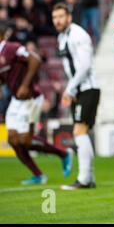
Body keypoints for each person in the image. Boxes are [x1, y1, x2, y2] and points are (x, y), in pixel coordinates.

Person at [0, 27, 73, 185]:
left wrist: (25, 85)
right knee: (13, 139)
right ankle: (38, 175)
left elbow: (35, 60)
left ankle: (62, 153)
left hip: (31, 98)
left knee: (26, 140)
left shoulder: (11, 48)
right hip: (15, 101)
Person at [52, 3, 101, 190]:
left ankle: (84, 180)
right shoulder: (62, 36)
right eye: (54, 17)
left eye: (60, 16)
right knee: (80, 131)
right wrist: (71, 89)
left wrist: (69, 90)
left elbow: (85, 66)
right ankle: (88, 177)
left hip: (87, 89)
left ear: (69, 18)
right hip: (79, 90)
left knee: (79, 131)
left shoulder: (78, 35)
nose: (57, 20)